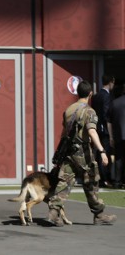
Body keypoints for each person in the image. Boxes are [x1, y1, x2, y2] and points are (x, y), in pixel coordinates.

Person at [46, 80, 116, 227]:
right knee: (91, 182)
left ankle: (53, 212)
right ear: (90, 94)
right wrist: (102, 151)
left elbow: (64, 133)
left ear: (78, 93)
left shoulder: (69, 109)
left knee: (64, 181)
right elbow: (91, 131)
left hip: (69, 152)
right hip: (83, 153)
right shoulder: (89, 111)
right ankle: (99, 214)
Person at [91, 75, 114, 187]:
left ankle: (99, 177)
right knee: (105, 154)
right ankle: (105, 179)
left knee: (98, 154)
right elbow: (106, 116)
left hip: (96, 128)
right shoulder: (107, 96)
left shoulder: (95, 96)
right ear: (111, 82)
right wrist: (111, 134)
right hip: (104, 130)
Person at [109, 84, 125, 189]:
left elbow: (109, 121)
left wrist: (111, 137)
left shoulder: (115, 103)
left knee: (118, 158)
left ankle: (117, 181)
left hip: (119, 135)